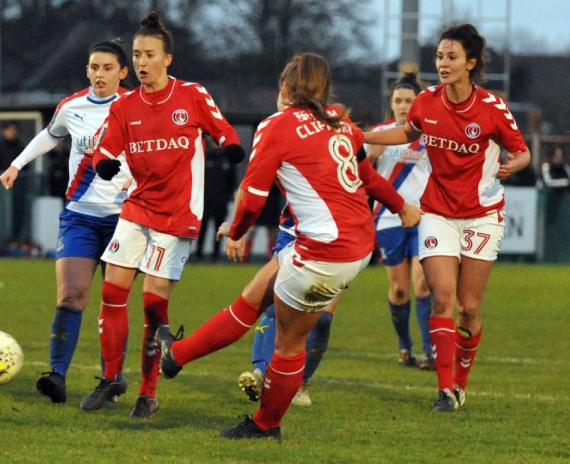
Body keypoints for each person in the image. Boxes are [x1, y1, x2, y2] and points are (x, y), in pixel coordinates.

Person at [155, 55, 417, 420]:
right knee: (253, 301)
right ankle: (176, 355)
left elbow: (253, 198)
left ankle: (265, 423)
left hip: (325, 249)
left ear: (284, 86)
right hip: (357, 246)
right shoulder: (339, 119)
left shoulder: (276, 126)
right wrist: (401, 207)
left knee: (287, 343)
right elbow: (367, 176)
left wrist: (237, 230)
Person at [82, 11, 245, 418]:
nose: (141, 62)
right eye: (137, 54)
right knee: (112, 292)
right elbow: (104, 149)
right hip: (137, 206)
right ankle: (111, 377)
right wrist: (104, 164)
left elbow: (223, 129)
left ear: (167, 59)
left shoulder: (191, 95)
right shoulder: (125, 105)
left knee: (153, 304)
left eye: (149, 55)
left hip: (177, 214)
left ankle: (148, 392)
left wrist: (230, 146)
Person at [364, 23, 530, 412]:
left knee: (469, 308)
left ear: (471, 63)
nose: (443, 63)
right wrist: (362, 136)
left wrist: (514, 164)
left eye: (452, 57)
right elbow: (408, 132)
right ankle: (444, 392)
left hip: (482, 215)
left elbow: (522, 151)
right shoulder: (427, 101)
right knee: (442, 298)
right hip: (437, 212)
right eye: (439, 56)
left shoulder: (492, 108)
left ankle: (460, 382)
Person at [0, 39, 132, 404]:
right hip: (80, 216)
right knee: (70, 295)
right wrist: (17, 165)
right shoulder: (71, 107)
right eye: (94, 67)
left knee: (113, 302)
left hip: (126, 219)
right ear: (87, 70)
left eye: (108, 68)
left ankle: (110, 379)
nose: (99, 74)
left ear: (123, 72)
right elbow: (50, 135)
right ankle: (57, 375)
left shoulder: (136, 107)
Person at [367, 71, 434, 370]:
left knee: (423, 284)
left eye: (409, 101)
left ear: (417, 103)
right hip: (388, 218)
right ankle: (405, 346)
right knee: (399, 290)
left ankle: (429, 351)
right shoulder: (379, 133)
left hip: (424, 217)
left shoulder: (430, 134)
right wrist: (371, 156)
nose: (404, 106)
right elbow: (358, 171)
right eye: (399, 101)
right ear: (391, 103)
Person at [195, 142, 236, 262]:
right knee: (202, 229)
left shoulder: (228, 160)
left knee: (219, 230)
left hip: (221, 202)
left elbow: (232, 181)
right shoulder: (204, 157)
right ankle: (198, 254)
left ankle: (216, 255)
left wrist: (228, 197)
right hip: (205, 201)